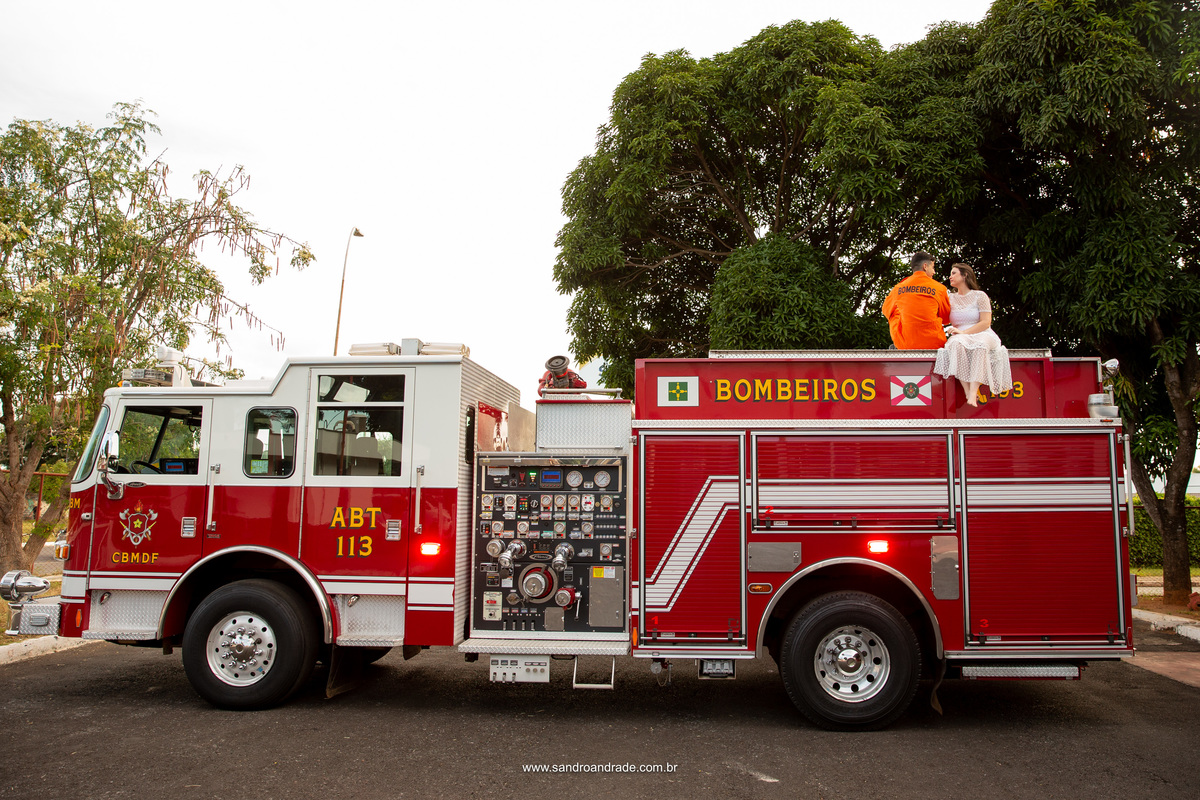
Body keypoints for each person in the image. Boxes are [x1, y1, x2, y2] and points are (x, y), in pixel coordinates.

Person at [933, 263, 1012, 407]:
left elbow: (985, 322)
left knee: (980, 345)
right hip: (960, 335)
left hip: (981, 332)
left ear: (965, 275)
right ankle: (968, 392)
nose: (950, 276)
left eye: (954, 273)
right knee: (956, 344)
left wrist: (963, 332)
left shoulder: (980, 296)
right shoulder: (949, 298)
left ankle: (974, 390)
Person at [882, 252, 952, 349]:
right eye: (933, 267)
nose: (934, 272)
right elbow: (946, 319)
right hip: (934, 343)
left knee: (894, 313)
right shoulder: (939, 288)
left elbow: (886, 310)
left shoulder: (899, 288)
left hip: (905, 344)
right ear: (925, 266)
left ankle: (900, 336)